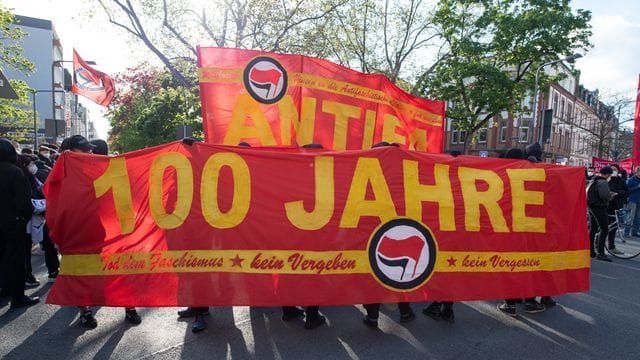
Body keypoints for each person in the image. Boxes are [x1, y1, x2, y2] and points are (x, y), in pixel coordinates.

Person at [496, 147, 546, 316]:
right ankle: (530, 301)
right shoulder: (532, 174)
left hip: (507, 230)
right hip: (530, 229)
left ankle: (510, 303)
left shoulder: (500, 175)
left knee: (510, 266)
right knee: (528, 266)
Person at [0, 138, 40, 309]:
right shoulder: (15, 172)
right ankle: (17, 296)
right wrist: (23, 218)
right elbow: (24, 202)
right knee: (16, 260)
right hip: (13, 223)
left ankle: (4, 289)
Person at [588, 166, 615, 262]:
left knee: (593, 229)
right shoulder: (602, 182)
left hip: (592, 206)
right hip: (599, 207)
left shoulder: (594, 180)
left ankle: (590, 251)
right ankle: (601, 252)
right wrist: (610, 195)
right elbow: (604, 195)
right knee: (604, 229)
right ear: (607, 174)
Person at [606, 164, 628, 255]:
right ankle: (597, 244)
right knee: (603, 227)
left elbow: (626, 192)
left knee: (614, 228)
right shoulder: (606, 180)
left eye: (615, 169)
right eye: (611, 169)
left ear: (618, 171)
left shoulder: (621, 181)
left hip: (616, 206)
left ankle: (611, 246)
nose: (613, 171)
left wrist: (617, 193)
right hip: (606, 206)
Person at [625, 166, 640, 237]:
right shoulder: (631, 180)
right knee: (630, 217)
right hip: (632, 200)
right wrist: (637, 187)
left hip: (639, 201)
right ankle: (626, 233)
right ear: (636, 172)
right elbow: (627, 190)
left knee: (638, 218)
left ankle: (635, 232)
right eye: (639, 172)